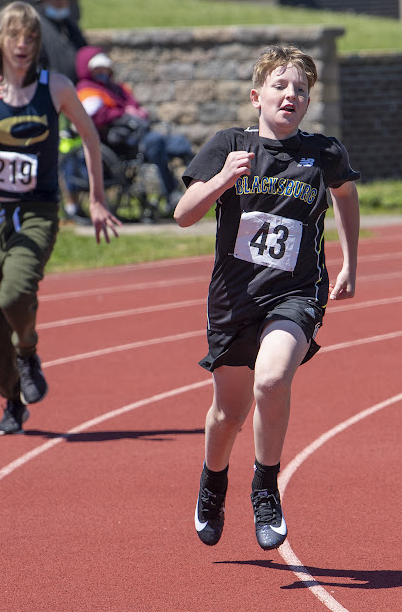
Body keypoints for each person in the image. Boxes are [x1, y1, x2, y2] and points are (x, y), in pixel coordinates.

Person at [174, 44, 361, 550]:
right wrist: (222, 179)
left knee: (273, 380)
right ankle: (213, 482)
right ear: (258, 96)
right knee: (228, 415)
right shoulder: (230, 144)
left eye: (301, 89)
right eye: (280, 86)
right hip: (234, 298)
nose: (290, 95)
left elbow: (346, 194)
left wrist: (350, 259)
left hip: (296, 292)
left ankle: (265, 486)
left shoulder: (324, 154)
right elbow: (183, 214)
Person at [0, 1, 121, 436]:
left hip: (38, 210)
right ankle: (12, 396)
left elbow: (89, 136)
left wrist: (97, 200)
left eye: (31, 37)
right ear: (1, 41)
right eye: (15, 36)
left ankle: (27, 351)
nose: (23, 44)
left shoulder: (56, 86)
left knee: (15, 294)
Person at [72, 45, 192, 215]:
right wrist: (123, 113)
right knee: (155, 142)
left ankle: (196, 188)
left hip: (139, 132)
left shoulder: (118, 88)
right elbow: (95, 118)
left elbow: (133, 104)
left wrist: (138, 111)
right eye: (98, 70)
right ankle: (171, 194)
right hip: (120, 140)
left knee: (180, 142)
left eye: (105, 69)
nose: (103, 73)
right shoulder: (87, 90)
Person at [32, 0, 87, 84]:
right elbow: (39, 64)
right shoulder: (37, 28)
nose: (59, 1)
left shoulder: (71, 26)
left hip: (74, 88)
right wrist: (44, 87)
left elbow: (84, 52)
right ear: (44, 0)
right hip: (50, 87)